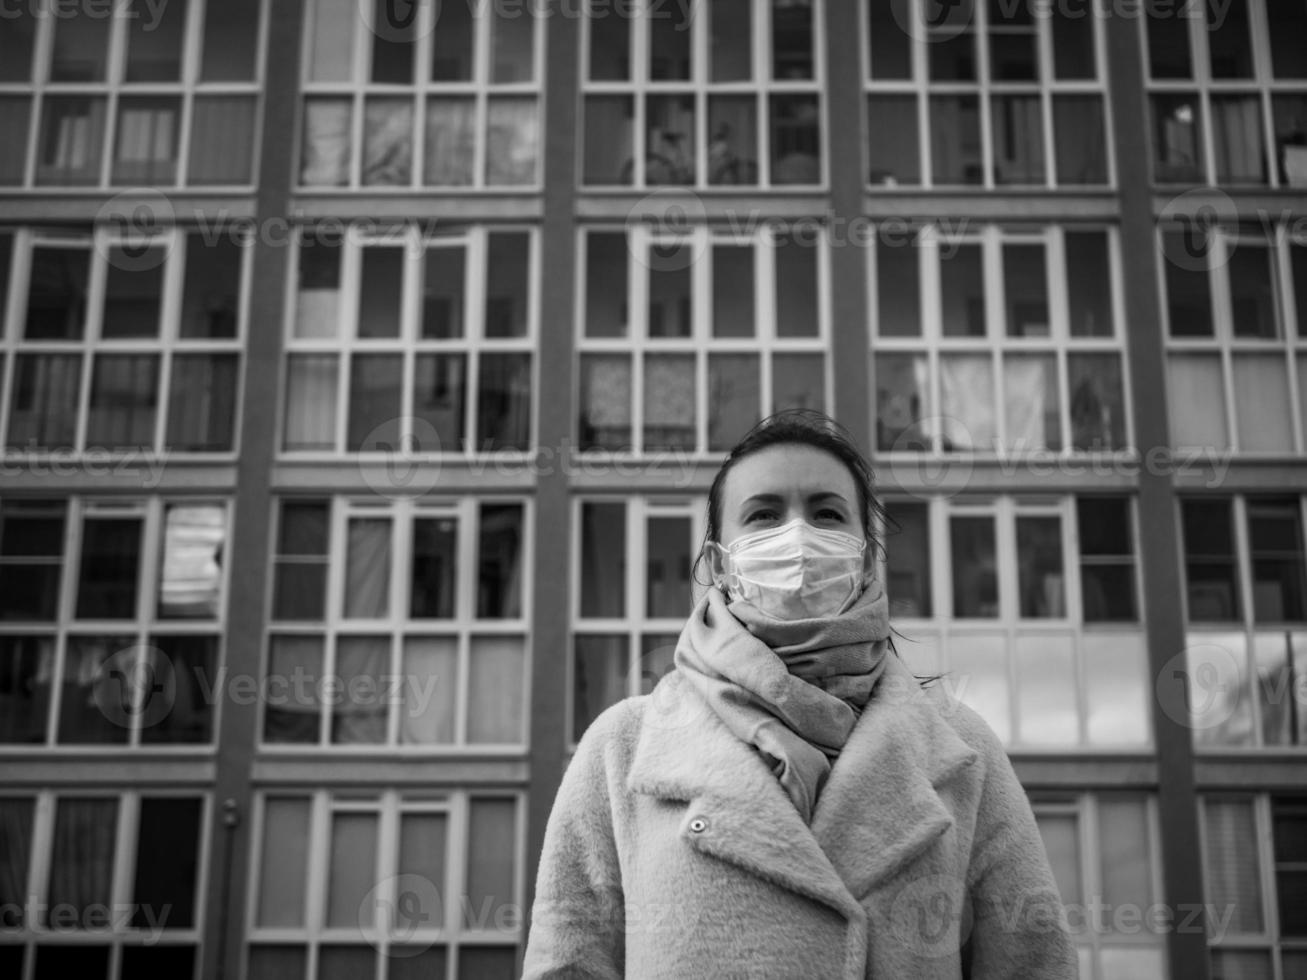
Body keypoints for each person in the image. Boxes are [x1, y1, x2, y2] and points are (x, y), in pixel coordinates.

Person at [522, 410, 1077, 979]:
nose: (798, 537)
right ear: (719, 563)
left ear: (864, 555)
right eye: (763, 515)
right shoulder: (622, 748)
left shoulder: (962, 751)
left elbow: (1033, 966)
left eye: (826, 513)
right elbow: (566, 966)